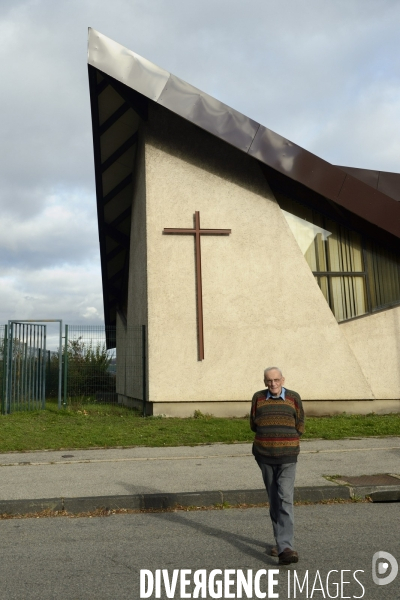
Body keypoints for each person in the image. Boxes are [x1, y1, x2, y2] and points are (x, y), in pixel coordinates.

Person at [250, 367, 305, 565]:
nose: (273, 384)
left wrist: (286, 441)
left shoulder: (293, 398)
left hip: (288, 457)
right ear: (265, 382)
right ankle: (281, 544)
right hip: (264, 456)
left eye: (276, 380)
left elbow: (300, 424)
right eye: (269, 381)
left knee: (285, 498)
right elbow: (254, 424)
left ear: (282, 379)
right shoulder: (258, 398)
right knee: (275, 500)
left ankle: (286, 547)